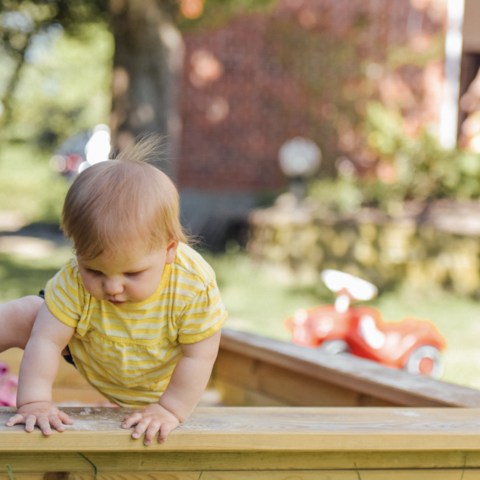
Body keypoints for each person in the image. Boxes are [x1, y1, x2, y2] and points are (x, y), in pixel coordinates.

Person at [1, 137, 227, 445]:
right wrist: (34, 402)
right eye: (94, 270)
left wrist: (169, 409)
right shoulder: (74, 279)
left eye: (132, 273)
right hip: (92, 348)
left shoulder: (192, 285)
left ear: (169, 250)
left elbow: (200, 355)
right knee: (25, 314)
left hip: (159, 376)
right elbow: (46, 341)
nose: (112, 286)